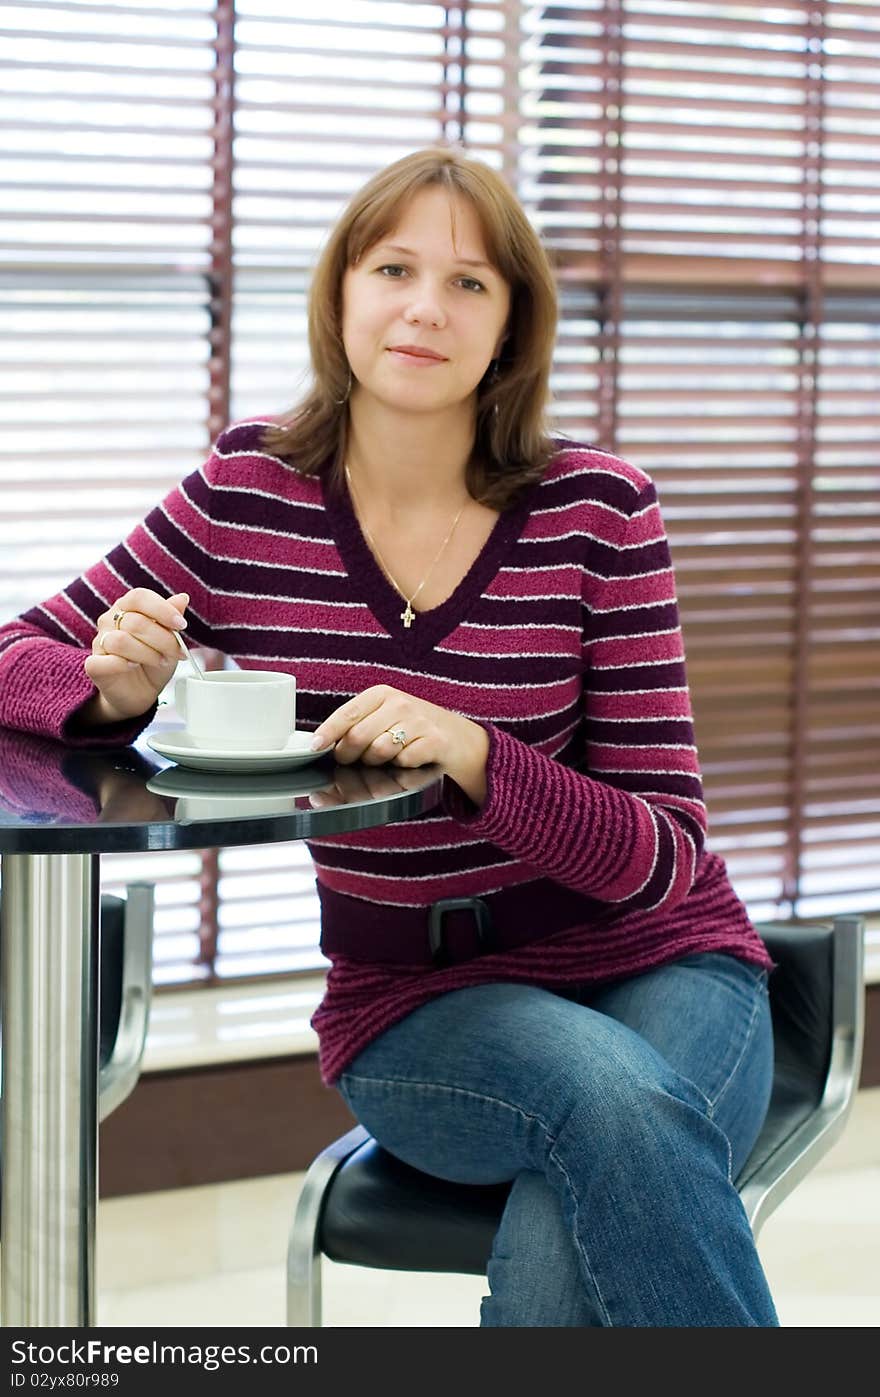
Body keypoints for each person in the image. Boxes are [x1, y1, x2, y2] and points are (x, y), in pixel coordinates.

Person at [0, 147, 779, 1326]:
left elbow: (663, 847)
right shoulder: (246, 492)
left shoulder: (598, 512)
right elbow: (16, 655)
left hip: (663, 965)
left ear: (512, 325)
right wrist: (112, 691)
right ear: (340, 294)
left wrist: (473, 748)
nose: (425, 306)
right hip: (418, 1000)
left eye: (470, 283)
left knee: (562, 1244)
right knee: (614, 1106)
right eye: (394, 267)